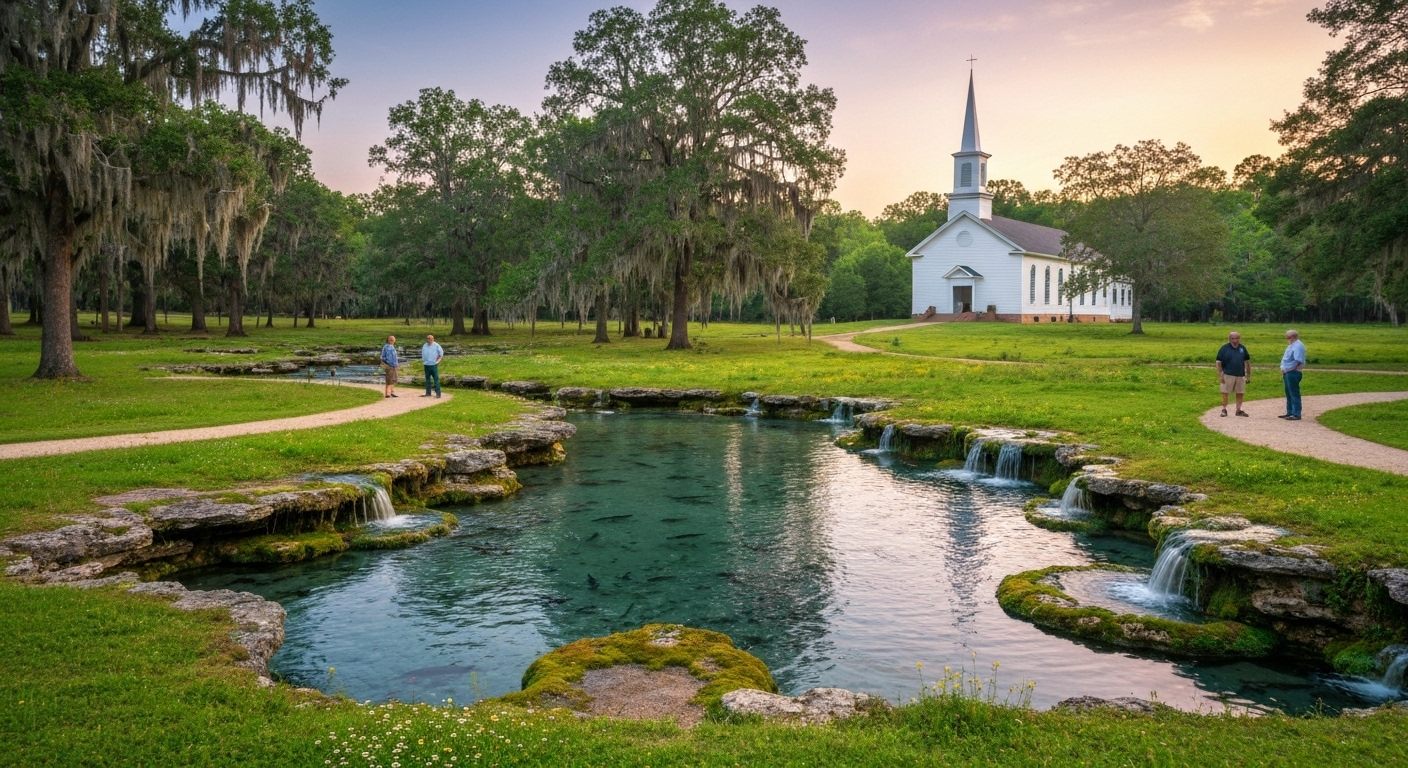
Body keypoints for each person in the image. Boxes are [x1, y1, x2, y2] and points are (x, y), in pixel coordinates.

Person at [1215, 331, 1251, 417]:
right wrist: (1220, 374)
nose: (1235, 340)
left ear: (1239, 339)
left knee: (1240, 392)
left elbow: (1247, 362)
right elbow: (1218, 362)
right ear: (1229, 339)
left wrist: (1248, 374)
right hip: (1228, 374)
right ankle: (1224, 409)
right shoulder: (1224, 348)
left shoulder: (1242, 348)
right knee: (1225, 391)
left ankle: (1238, 410)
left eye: (1237, 338)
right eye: (1233, 338)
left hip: (1240, 374)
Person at [1279, 329, 1306, 420]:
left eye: (1289, 337)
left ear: (1294, 337)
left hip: (1293, 372)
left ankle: (1296, 413)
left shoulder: (1297, 346)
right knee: (1289, 393)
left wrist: (1289, 369)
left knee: (1294, 393)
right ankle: (1290, 412)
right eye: (1287, 337)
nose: (1287, 339)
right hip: (1287, 372)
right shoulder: (1292, 345)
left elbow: (1299, 361)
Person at [420, 334, 444, 398]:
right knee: (427, 379)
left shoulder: (436, 345)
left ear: (433, 339)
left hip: (433, 365)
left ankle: (438, 394)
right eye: (428, 338)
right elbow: (423, 354)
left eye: (430, 339)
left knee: (436, 379)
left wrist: (437, 361)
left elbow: (441, 354)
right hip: (426, 364)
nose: (429, 340)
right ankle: (428, 393)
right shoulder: (425, 345)